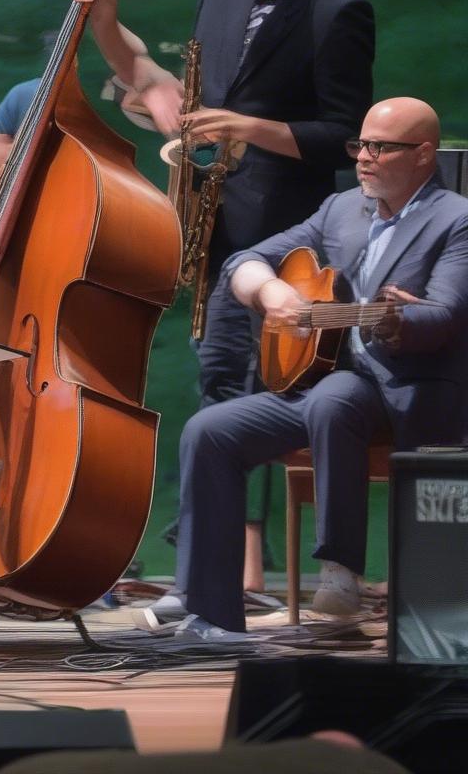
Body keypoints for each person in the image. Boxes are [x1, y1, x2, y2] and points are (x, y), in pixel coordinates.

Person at [77, 0, 375, 590]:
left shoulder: (339, 10)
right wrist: (107, 27)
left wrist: (247, 126)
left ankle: (218, 584)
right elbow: (172, 96)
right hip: (212, 222)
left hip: (283, 233)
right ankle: (214, 583)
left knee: (239, 393)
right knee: (219, 385)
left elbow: (344, 136)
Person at [171, 97, 468, 638]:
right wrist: (270, 290)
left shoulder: (457, 220)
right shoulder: (340, 208)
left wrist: (400, 322)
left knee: (338, 397)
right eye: (360, 144)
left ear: (424, 155)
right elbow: (243, 259)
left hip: (407, 388)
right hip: (327, 384)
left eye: (382, 147)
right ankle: (210, 617)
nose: (364, 157)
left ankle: (340, 573)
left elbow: (447, 314)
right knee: (208, 431)